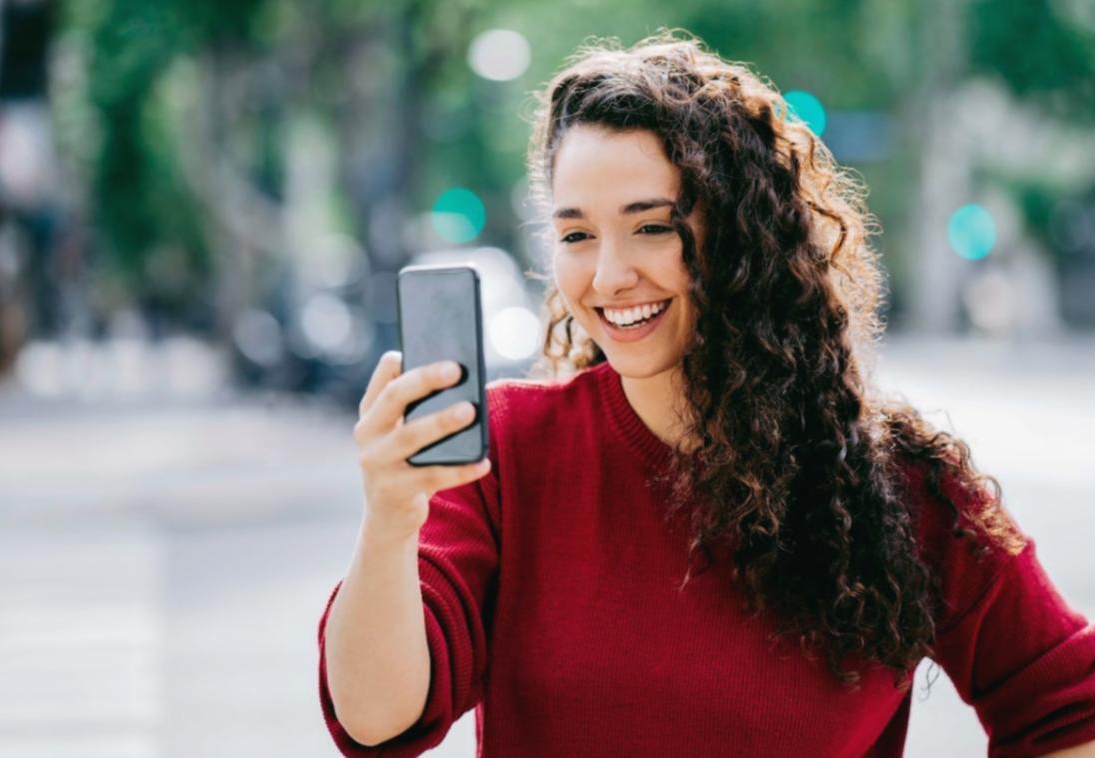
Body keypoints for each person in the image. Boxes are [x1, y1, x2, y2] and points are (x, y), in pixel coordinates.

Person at [316, 30, 1095, 757]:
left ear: (742, 236)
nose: (609, 274)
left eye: (651, 227)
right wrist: (390, 519)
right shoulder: (511, 453)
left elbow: (1066, 705)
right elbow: (375, 724)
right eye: (577, 235)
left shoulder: (900, 483)